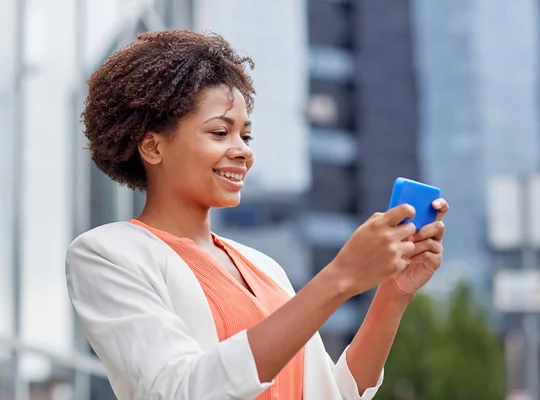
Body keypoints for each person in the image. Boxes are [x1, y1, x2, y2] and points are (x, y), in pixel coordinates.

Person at [65, 29, 448, 400]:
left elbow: (332, 395)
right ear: (152, 147)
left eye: (245, 136)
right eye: (219, 133)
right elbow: (183, 391)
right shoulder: (106, 255)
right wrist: (340, 277)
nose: (243, 151)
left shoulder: (264, 267)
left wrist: (392, 294)